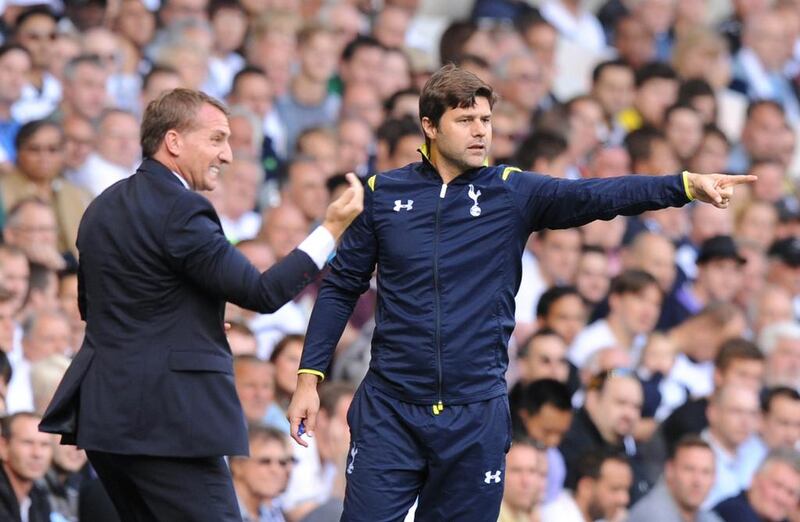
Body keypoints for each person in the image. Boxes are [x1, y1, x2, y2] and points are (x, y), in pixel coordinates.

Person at [288, 64, 754, 522]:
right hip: (391, 409)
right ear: (429, 126)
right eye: (465, 120)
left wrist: (684, 185)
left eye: (486, 120)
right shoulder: (382, 193)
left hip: (475, 413)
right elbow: (341, 287)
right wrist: (310, 377)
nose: (480, 132)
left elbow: (597, 195)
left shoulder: (511, 192)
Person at [38, 88, 364, 521]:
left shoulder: (103, 205)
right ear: (173, 141)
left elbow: (104, 306)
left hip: (105, 416)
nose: (227, 155)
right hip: (167, 420)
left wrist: (192, 321)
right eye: (216, 139)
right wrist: (331, 229)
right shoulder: (183, 209)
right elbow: (261, 293)